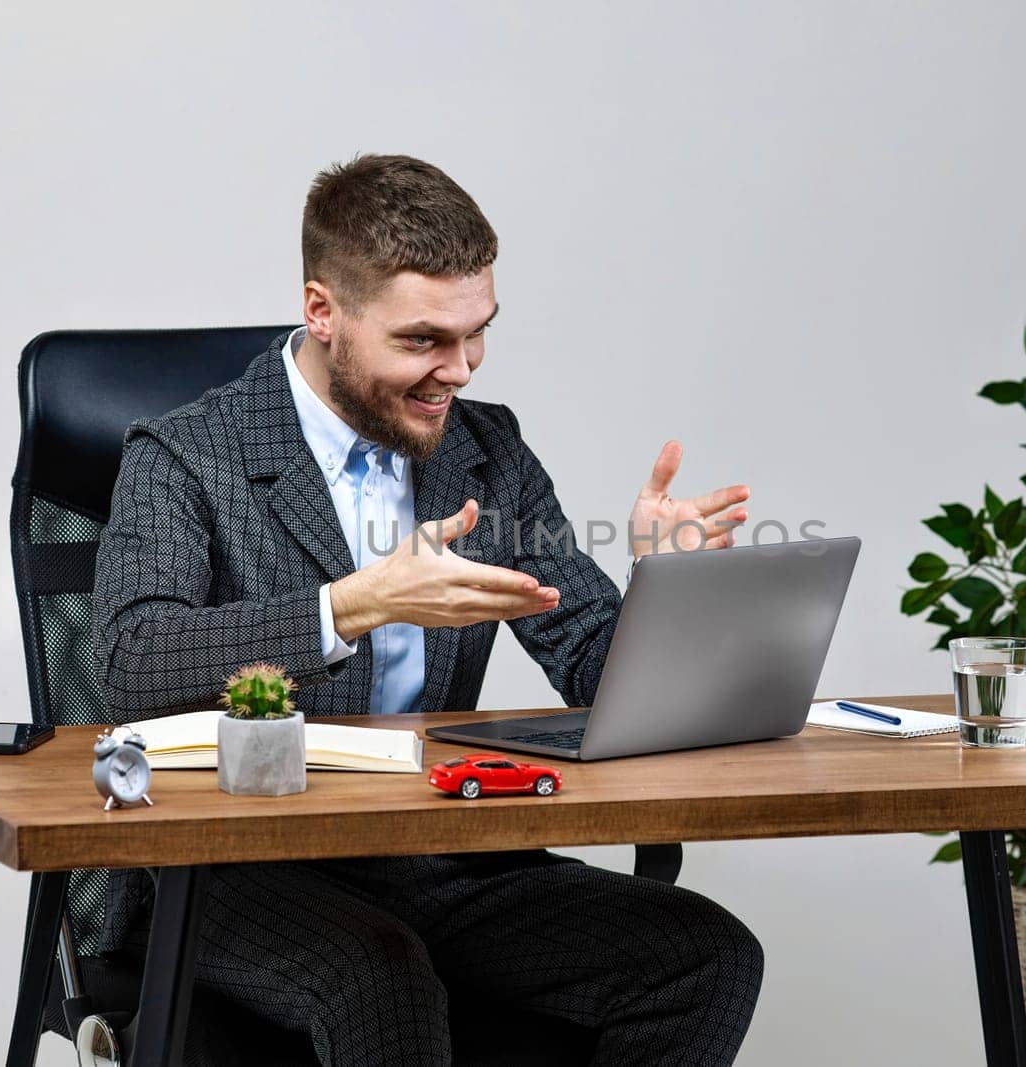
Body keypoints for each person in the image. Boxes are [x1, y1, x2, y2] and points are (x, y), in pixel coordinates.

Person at [91, 154, 763, 1065]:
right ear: (323, 312)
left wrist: (665, 593)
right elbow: (133, 659)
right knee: (382, 975)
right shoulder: (183, 457)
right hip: (229, 867)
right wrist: (352, 605)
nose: (459, 370)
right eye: (422, 341)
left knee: (700, 957)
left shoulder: (485, 453)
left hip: (433, 848)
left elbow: (594, 663)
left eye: (475, 333)